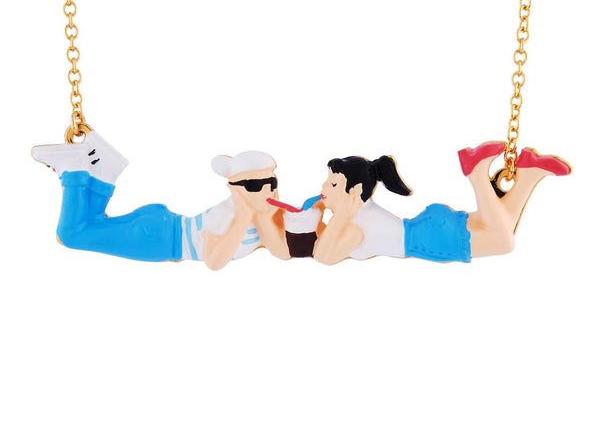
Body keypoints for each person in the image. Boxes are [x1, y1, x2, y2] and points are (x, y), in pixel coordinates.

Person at [32, 131, 289, 270]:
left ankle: (105, 169)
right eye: (255, 185)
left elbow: (281, 251)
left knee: (91, 225)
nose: (268, 191)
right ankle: (74, 170)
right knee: (72, 234)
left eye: (272, 183)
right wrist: (243, 215)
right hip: (160, 238)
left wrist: (263, 216)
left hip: (160, 231)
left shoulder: (262, 217)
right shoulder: (229, 216)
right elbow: (214, 261)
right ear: (234, 188)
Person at [313, 142, 571, 265]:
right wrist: (316, 216)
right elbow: (322, 240)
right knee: (499, 228)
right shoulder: (357, 216)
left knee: (504, 242)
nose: (324, 188)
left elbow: (323, 256)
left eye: (333, 184)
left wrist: (339, 216)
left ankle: (476, 172)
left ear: (356, 191)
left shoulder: (353, 225)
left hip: (429, 239)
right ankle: (528, 173)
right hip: (429, 229)